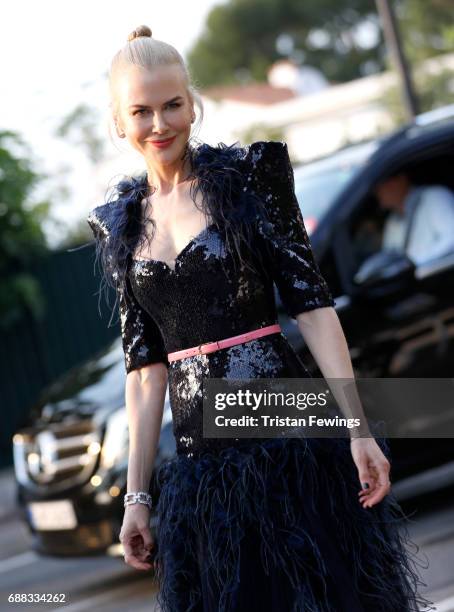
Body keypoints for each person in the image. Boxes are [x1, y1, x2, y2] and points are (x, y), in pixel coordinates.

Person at [87, 25, 435, 612]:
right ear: (119, 122)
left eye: (173, 105)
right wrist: (137, 497)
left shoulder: (250, 181)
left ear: (193, 104)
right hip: (203, 472)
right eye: (141, 112)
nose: (160, 124)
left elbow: (314, 308)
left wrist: (358, 429)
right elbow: (144, 371)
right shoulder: (118, 227)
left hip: (291, 440)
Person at [374, 171, 454, 265]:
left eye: (380, 185)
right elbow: (389, 259)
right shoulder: (392, 221)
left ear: (400, 180)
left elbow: (452, 238)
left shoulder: (435, 197)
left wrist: (414, 264)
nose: (376, 192)